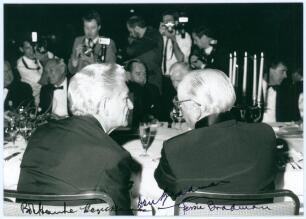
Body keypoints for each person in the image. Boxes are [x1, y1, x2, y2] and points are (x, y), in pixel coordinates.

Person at [17, 63, 138, 215]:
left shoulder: (40, 133)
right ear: (105, 103)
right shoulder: (114, 157)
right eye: (125, 98)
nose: (131, 105)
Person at [154, 69, 277, 201]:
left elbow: (168, 188)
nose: (181, 111)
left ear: (195, 107)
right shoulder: (265, 134)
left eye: (180, 104)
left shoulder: (174, 149)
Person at [68, 10, 117, 75]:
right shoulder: (78, 41)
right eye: (86, 27)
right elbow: (71, 71)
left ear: (99, 27)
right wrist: (75, 58)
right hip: (80, 83)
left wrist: (92, 62)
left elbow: (110, 72)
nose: (89, 31)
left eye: (93, 28)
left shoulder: (108, 43)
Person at [126, 15, 163, 93]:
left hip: (153, 79)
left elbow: (130, 51)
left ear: (136, 28)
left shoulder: (153, 35)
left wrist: (132, 42)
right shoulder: (146, 37)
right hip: (143, 77)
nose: (131, 35)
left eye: (131, 31)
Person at [125, 59, 161, 127]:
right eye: (138, 74)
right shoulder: (124, 92)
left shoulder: (153, 89)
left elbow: (160, 114)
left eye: (144, 73)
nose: (143, 77)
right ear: (128, 75)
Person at [159, 10, 192, 76]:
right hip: (163, 77)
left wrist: (173, 39)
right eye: (165, 21)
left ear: (175, 22)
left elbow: (181, 59)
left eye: (169, 20)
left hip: (179, 75)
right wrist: (158, 35)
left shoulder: (184, 36)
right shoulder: (161, 37)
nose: (167, 23)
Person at [16, 35, 43, 107]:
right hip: (33, 100)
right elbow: (42, 80)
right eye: (28, 48)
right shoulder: (21, 64)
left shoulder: (39, 56)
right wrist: (44, 60)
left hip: (44, 95)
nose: (32, 50)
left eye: (33, 46)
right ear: (21, 49)